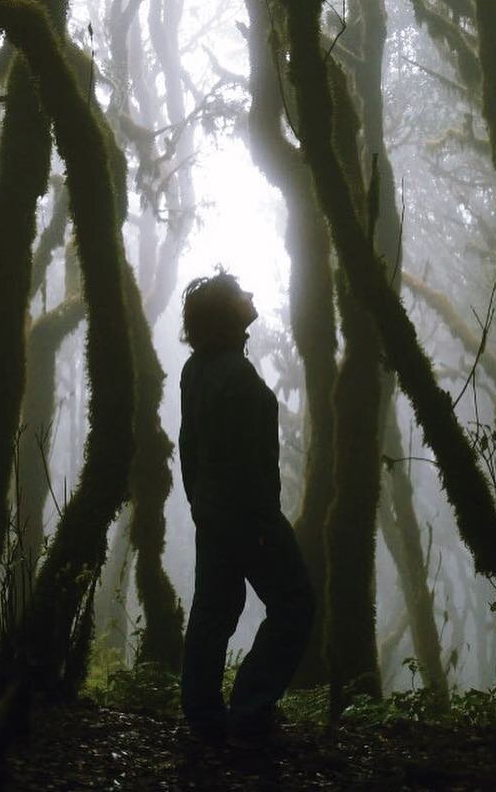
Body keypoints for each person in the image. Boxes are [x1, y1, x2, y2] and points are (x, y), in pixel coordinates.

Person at [178, 271, 314, 744]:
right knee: (295, 603)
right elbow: (248, 461)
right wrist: (259, 523)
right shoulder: (234, 375)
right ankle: (250, 709)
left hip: (214, 512)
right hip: (247, 515)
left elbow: (189, 449)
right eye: (241, 294)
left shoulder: (196, 369)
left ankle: (203, 714)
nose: (252, 294)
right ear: (226, 313)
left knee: (215, 608)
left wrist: (199, 502)